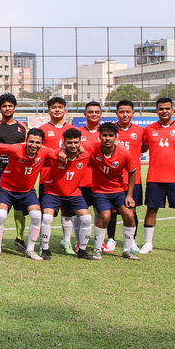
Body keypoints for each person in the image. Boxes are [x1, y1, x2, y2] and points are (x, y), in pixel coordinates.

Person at [139, 98, 175, 256]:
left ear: (172, 110)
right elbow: (141, 148)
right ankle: (148, 243)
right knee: (151, 210)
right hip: (155, 178)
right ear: (156, 111)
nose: (164, 111)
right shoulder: (149, 129)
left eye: (167, 108)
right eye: (161, 108)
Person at [81, 121, 139, 260]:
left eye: (111, 135)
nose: (108, 138)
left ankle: (127, 250)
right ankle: (97, 249)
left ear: (116, 137)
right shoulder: (92, 147)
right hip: (100, 191)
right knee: (105, 216)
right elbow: (76, 146)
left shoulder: (123, 153)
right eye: (105, 135)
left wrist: (129, 195)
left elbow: (132, 172)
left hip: (119, 190)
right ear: (99, 136)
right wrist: (63, 151)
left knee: (130, 216)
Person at [0, 128, 48, 261]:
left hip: (27, 191)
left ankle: (30, 250)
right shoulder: (15, 149)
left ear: (42, 143)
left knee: (37, 216)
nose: (34, 145)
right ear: (26, 141)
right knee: (0, 215)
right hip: (6, 189)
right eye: (31, 141)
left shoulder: (45, 151)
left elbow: (60, 152)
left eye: (37, 142)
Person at [39, 128, 93, 260]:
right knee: (47, 218)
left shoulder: (85, 155)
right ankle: (45, 249)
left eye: (76, 142)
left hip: (74, 193)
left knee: (87, 219)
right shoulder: (54, 154)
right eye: (69, 143)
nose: (73, 145)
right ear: (64, 143)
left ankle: (82, 250)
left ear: (80, 142)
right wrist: (62, 151)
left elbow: (95, 146)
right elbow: (44, 149)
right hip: (53, 192)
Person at [0, 93, 29, 252]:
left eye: (10, 105)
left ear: (14, 107)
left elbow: (27, 148)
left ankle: (20, 238)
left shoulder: (23, 127)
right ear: (0, 108)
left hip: (19, 172)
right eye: (4, 106)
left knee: (20, 206)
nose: (7, 108)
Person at [38, 96, 76, 254]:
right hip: (48, 176)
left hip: (68, 177)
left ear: (65, 110)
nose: (57, 110)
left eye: (60, 107)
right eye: (54, 107)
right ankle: (43, 243)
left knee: (67, 210)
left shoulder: (72, 130)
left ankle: (66, 241)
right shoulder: (42, 130)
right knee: (46, 212)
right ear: (48, 111)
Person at [107, 99, 145, 253]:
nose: (125, 114)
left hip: (133, 178)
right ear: (117, 113)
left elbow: (144, 148)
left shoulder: (140, 131)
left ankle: (131, 240)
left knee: (131, 210)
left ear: (133, 113)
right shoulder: (110, 130)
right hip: (113, 178)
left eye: (128, 111)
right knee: (112, 211)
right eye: (121, 112)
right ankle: (111, 239)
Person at [76, 101, 104, 252]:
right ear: (85, 114)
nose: (94, 114)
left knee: (101, 212)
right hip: (81, 180)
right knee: (79, 213)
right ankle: (78, 241)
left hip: (101, 181)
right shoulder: (77, 132)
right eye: (90, 112)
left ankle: (100, 242)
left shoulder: (106, 133)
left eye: (97, 112)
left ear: (101, 114)